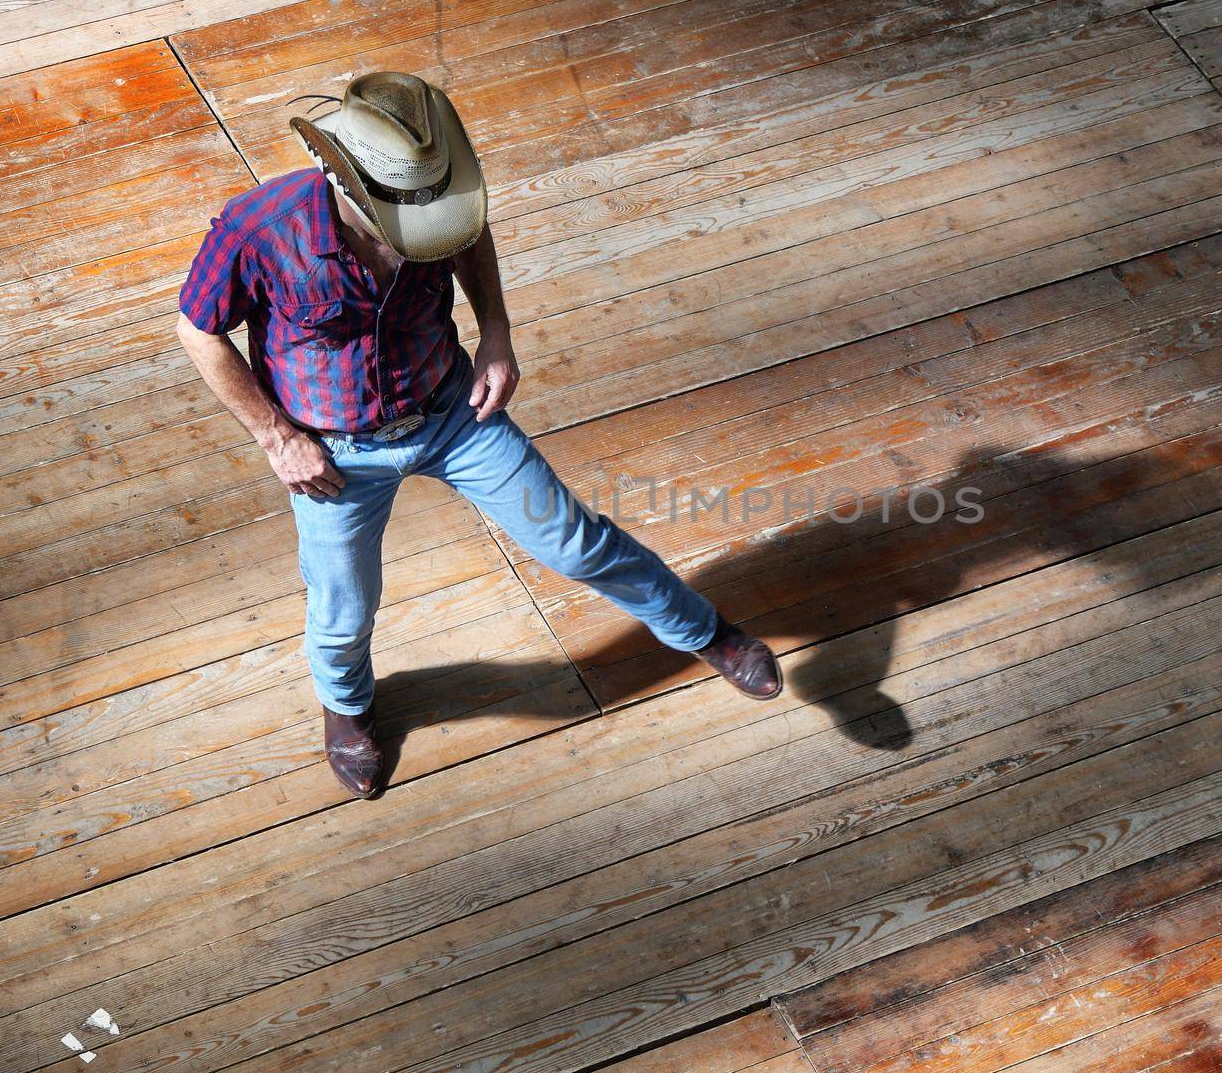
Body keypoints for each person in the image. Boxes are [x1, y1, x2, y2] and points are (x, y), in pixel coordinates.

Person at [175, 72, 781, 799]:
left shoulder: (437, 198)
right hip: (335, 451)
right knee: (344, 604)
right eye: (393, 210)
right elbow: (198, 329)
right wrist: (276, 437)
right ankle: (347, 709)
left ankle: (701, 631)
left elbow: (468, 236)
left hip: (453, 411)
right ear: (335, 173)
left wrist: (496, 329)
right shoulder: (259, 228)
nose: (418, 222)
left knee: (574, 541)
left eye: (429, 207)